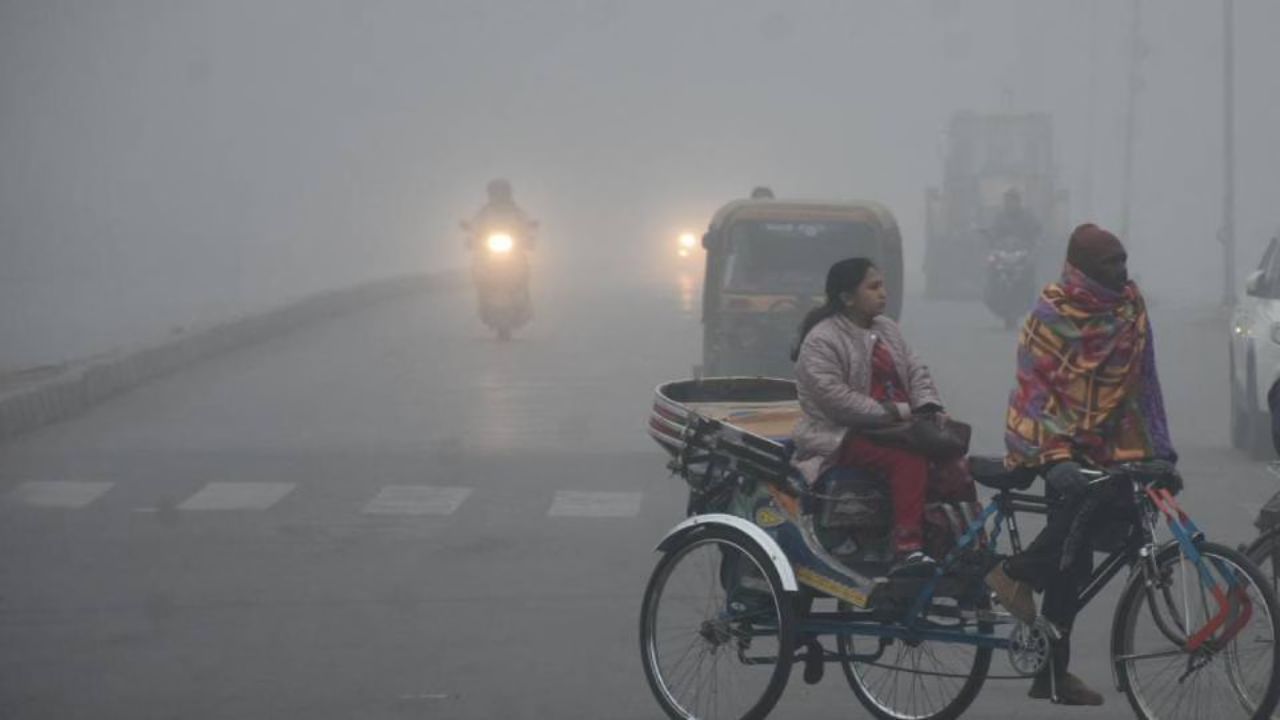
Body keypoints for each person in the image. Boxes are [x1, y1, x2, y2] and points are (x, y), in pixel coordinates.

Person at [985, 223, 1177, 706]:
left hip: (1112, 446)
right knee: (1072, 552)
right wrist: (1054, 457)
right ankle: (1015, 573)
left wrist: (1161, 449)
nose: (1121, 270)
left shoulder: (1130, 308)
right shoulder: (1051, 313)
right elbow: (1036, 391)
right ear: (1085, 269)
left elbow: (1146, 382)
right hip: (1057, 443)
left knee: (1075, 562)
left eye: (1123, 260)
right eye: (1110, 263)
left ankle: (1050, 674)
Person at [791, 258, 945, 577]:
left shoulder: (887, 328)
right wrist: (896, 412)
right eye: (873, 287)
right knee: (908, 460)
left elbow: (915, 369)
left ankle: (951, 542)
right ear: (847, 297)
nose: (883, 293)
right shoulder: (822, 339)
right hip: (840, 434)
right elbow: (836, 401)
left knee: (951, 456)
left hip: (897, 428)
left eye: (882, 286)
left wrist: (928, 405)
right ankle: (908, 548)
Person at [467, 178, 536, 250]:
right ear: (491, 194)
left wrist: (529, 226)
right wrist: (471, 227)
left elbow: (524, 220)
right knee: (477, 250)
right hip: (488, 244)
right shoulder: (485, 211)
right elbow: (476, 221)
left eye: (503, 192)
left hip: (513, 244)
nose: (500, 195)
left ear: (508, 193)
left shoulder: (516, 211)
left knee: (523, 250)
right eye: (496, 193)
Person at [986, 188, 1041, 252]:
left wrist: (1029, 243)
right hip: (1003, 252)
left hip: (1025, 251)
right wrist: (1001, 242)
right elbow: (994, 233)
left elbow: (1037, 233)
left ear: (1018, 202)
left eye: (1012, 201)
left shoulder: (1028, 216)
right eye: (1007, 201)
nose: (1010, 204)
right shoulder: (1000, 217)